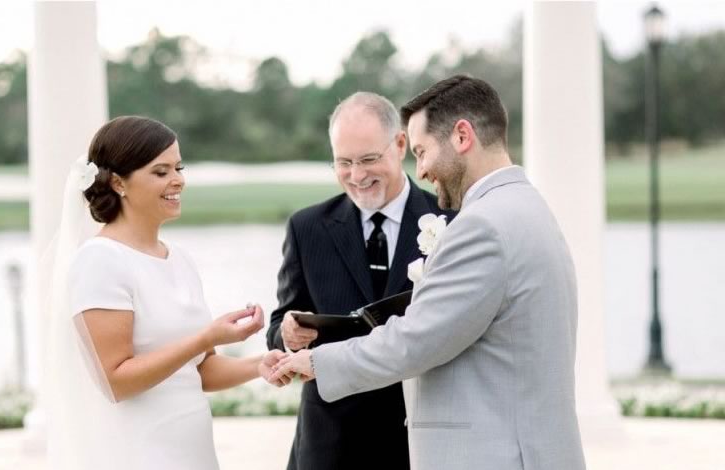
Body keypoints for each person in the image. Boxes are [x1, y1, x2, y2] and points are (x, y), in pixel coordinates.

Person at [271, 75, 587, 470]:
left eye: (422, 151)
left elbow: (416, 339)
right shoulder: (527, 205)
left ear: (461, 136)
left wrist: (317, 362)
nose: (420, 170)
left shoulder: (481, 226)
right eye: (344, 162)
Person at [45, 116, 286, 470]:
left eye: (179, 167)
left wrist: (259, 365)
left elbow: (200, 370)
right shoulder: (99, 262)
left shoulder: (180, 260)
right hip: (138, 453)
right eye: (161, 172)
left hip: (193, 451)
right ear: (118, 183)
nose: (178, 180)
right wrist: (206, 335)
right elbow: (116, 381)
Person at [265, 92, 454, 470]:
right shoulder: (307, 228)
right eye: (344, 163)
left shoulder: (451, 219)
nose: (357, 175)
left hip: (420, 437)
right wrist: (286, 333)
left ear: (400, 145)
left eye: (368, 159)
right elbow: (278, 326)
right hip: (329, 442)